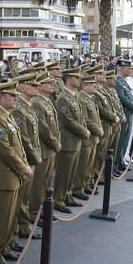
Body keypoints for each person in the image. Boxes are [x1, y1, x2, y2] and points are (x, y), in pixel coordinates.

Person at [0, 81, 32, 264]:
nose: (16, 97)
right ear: (0, 97)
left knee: (10, 216)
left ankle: (5, 247)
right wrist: (23, 168)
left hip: (13, 174)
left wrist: (23, 166)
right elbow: (6, 151)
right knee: (1, 219)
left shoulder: (6, 116)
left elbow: (16, 146)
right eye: (11, 95)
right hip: (5, 175)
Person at [53, 67, 90, 213]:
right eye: (76, 77)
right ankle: (59, 199)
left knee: (71, 172)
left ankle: (67, 195)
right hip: (68, 140)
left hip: (76, 140)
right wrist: (84, 131)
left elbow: (80, 117)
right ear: (69, 79)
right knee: (63, 173)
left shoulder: (73, 96)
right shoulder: (63, 98)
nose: (79, 79)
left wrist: (84, 129)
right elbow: (67, 120)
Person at [11, 73, 43, 242]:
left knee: (26, 196)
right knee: (21, 197)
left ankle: (23, 226)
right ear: (22, 88)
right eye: (33, 86)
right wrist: (34, 156)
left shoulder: (28, 106)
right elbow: (24, 137)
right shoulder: (19, 109)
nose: (37, 88)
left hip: (31, 157)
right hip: (26, 158)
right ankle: (19, 228)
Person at [28, 72, 61, 223]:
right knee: (38, 184)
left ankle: (42, 210)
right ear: (41, 86)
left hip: (50, 149)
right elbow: (43, 128)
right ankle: (34, 213)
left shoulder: (47, 102)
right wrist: (54, 143)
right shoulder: (37, 103)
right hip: (43, 148)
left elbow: (54, 126)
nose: (52, 85)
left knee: (46, 182)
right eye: (48, 83)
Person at [114, 60, 133, 174]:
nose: (130, 70)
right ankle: (115, 164)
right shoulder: (118, 81)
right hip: (125, 113)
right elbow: (123, 98)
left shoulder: (124, 81)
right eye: (127, 68)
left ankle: (120, 162)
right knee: (120, 142)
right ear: (121, 68)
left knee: (125, 141)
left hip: (129, 114)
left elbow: (129, 96)